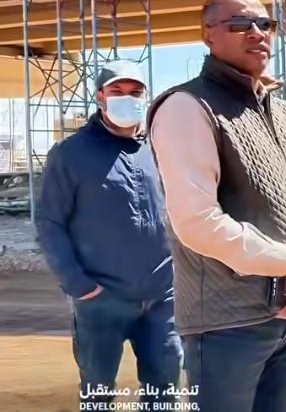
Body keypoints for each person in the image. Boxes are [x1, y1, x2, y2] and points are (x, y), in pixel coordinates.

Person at [149, 0, 286, 412]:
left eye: (264, 24)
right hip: (227, 324)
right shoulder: (188, 107)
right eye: (239, 24)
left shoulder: (283, 111)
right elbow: (197, 221)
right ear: (208, 35)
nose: (256, 33)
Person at [36, 60, 181, 407]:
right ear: (100, 96)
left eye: (135, 92)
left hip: (161, 298)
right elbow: (50, 223)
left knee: (165, 389)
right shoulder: (71, 154)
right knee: (98, 392)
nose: (127, 98)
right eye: (117, 91)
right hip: (101, 300)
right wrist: (79, 285)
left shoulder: (157, 149)